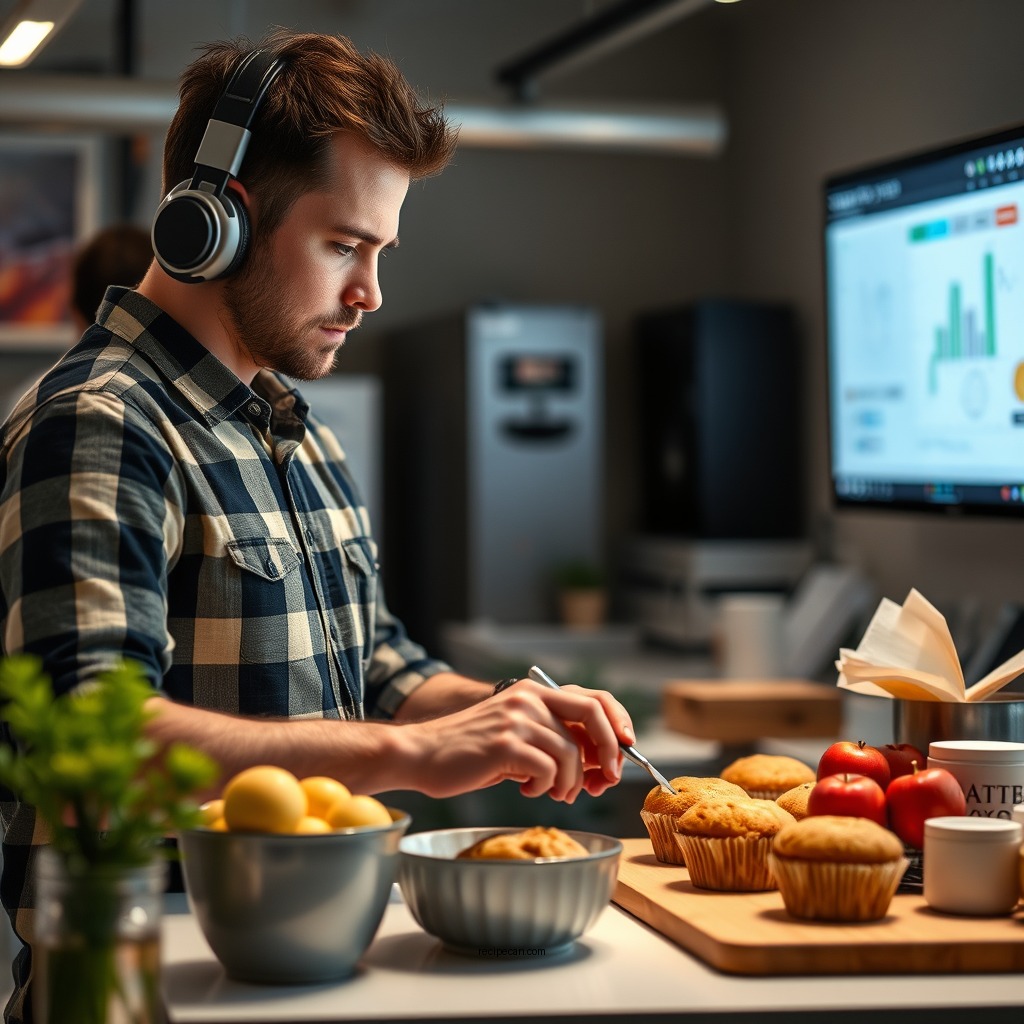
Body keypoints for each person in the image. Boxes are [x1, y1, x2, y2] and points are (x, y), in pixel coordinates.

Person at [0, 29, 635, 1022]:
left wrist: (501, 708)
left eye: (380, 252)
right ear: (219, 224)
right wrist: (408, 757)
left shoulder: (300, 432)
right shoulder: (101, 423)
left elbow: (374, 662)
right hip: (153, 989)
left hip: (309, 972)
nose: (370, 294)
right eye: (345, 245)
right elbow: (92, 747)